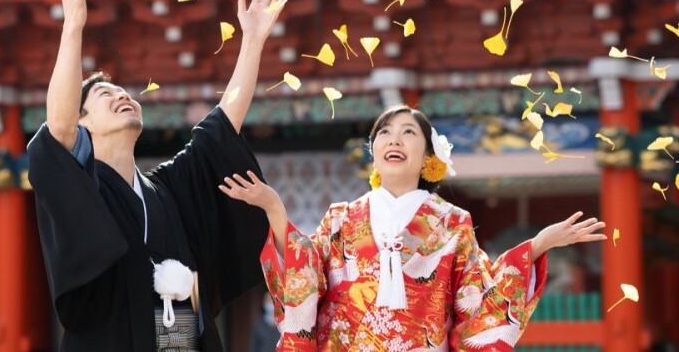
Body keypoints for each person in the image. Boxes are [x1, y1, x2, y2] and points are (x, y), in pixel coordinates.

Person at [27, 0, 288, 352]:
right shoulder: (84, 184)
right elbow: (58, 128)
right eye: (104, 94)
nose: (122, 96)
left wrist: (252, 39)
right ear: (84, 123)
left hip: (176, 341)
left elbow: (223, 122)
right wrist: (73, 26)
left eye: (124, 92)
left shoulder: (166, 188)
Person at [221, 104, 607, 351]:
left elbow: (480, 303)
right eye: (385, 133)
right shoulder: (341, 219)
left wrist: (537, 246)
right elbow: (305, 282)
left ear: (427, 157)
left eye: (409, 132)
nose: (395, 139)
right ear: (374, 153)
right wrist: (274, 209)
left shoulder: (453, 223)